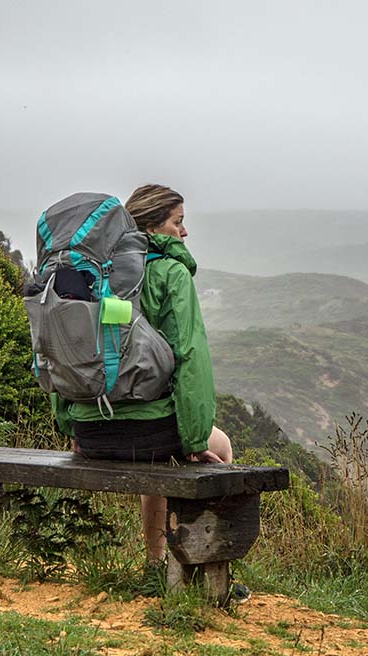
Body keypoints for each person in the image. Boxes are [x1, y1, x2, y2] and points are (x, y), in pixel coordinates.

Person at [51, 183, 233, 565]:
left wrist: (72, 427)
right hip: (149, 435)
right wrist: (196, 439)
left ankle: (155, 561)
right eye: (177, 222)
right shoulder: (170, 273)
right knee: (220, 447)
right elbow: (190, 357)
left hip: (91, 432)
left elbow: (62, 352)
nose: (184, 232)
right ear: (151, 228)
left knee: (161, 459)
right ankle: (203, 563)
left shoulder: (94, 276)